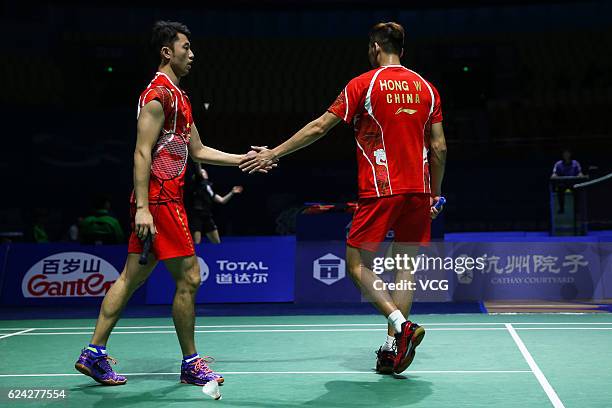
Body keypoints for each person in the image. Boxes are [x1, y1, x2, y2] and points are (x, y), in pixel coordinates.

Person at [241, 22, 447, 375]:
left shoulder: (363, 84)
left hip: (380, 190)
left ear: (375, 47)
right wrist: (435, 193)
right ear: (403, 49)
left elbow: (321, 126)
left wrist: (274, 153)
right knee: (405, 269)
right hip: (419, 190)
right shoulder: (428, 89)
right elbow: (439, 146)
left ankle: (402, 327)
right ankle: (392, 349)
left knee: (356, 265)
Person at [74, 21, 271, 387]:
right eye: (186, 47)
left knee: (132, 277)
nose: (192, 54)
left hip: (163, 199)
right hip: (161, 200)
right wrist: (144, 208)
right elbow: (141, 152)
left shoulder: (181, 98)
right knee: (190, 278)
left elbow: (199, 151)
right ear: (167, 51)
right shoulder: (157, 95)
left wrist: (247, 159)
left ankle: (94, 353)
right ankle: (191, 363)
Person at [188, 163, 243, 244]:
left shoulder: (208, 188)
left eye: (204, 172)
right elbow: (198, 169)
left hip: (207, 216)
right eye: (202, 172)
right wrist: (197, 159)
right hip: (197, 216)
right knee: (196, 243)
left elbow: (222, 200)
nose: (203, 172)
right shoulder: (199, 183)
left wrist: (232, 192)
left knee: (217, 242)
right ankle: (196, 257)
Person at [551, 149, 584, 213]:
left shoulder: (575, 163)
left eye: (567, 153)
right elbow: (554, 174)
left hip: (573, 184)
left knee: (578, 191)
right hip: (563, 184)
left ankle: (576, 209)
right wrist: (554, 175)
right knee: (560, 190)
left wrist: (580, 175)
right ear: (562, 155)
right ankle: (562, 208)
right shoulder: (558, 164)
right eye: (565, 153)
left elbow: (580, 173)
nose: (566, 155)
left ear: (570, 154)